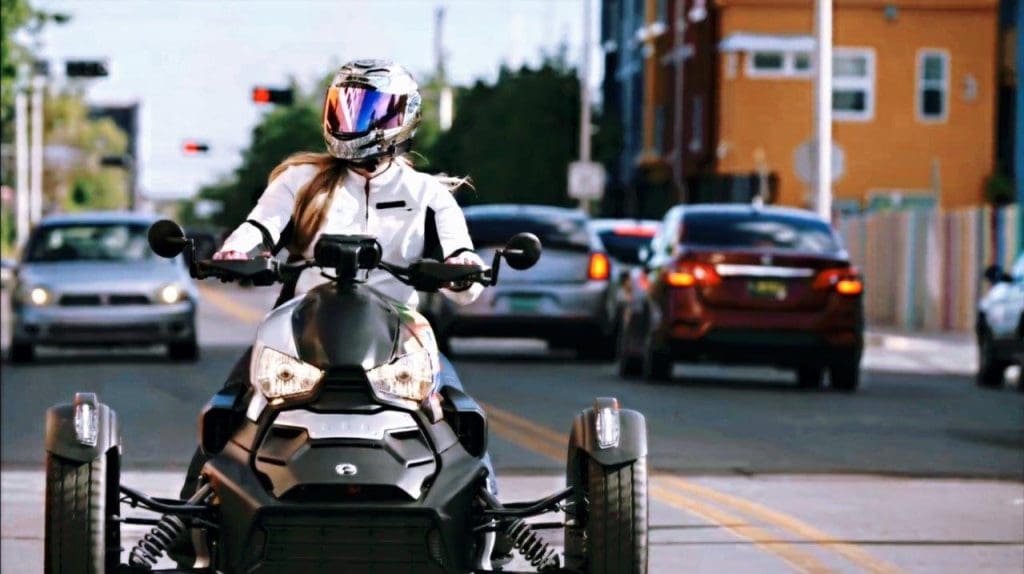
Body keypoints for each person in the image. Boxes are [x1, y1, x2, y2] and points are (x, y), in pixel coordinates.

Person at [176, 59, 488, 508]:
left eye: (365, 110)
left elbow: (463, 262)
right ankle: (192, 515)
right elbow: (259, 227)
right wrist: (235, 252)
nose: (350, 120)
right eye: (344, 106)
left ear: (399, 118)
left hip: (400, 338)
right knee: (228, 409)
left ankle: (487, 516)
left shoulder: (428, 195)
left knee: (462, 416)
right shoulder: (300, 181)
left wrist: (463, 268)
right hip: (300, 332)